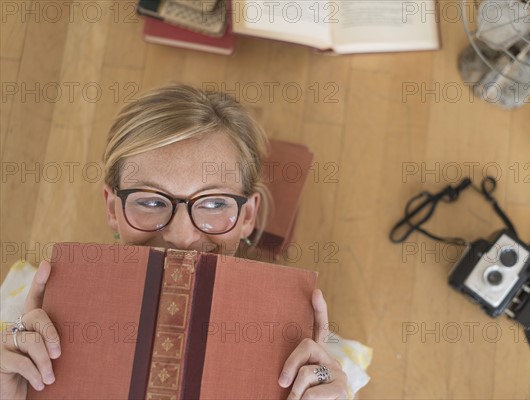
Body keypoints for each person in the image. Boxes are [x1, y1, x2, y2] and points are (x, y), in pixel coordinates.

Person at [0, 84, 349, 399]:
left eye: (214, 203)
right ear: (112, 206)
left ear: (246, 216)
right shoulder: (23, 325)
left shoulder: (308, 354)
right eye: (151, 201)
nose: (181, 237)